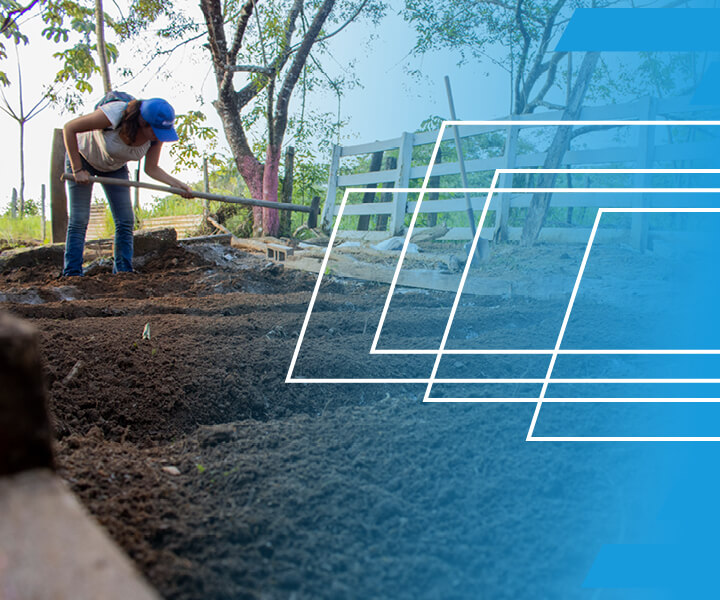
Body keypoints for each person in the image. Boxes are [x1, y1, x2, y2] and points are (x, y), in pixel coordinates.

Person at [62, 97, 194, 276]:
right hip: (82, 159)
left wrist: (178, 185)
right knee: (79, 219)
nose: (159, 135)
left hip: (115, 167)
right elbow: (69, 128)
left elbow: (152, 168)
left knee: (125, 220)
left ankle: (124, 271)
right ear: (143, 122)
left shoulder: (156, 136)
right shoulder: (114, 115)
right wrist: (77, 169)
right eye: (156, 130)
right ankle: (72, 272)